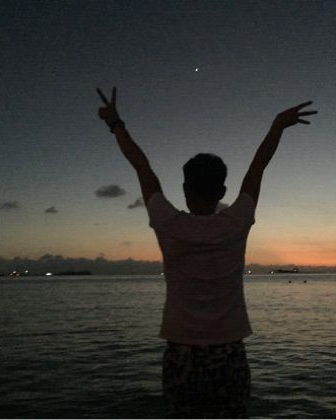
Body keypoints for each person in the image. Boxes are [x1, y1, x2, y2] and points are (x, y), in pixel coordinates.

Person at [96, 87, 317, 418]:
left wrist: (115, 123)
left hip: (181, 354)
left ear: (185, 189)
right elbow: (258, 166)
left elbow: (141, 166)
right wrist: (277, 126)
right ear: (223, 190)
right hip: (228, 352)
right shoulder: (237, 221)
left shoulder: (168, 222)